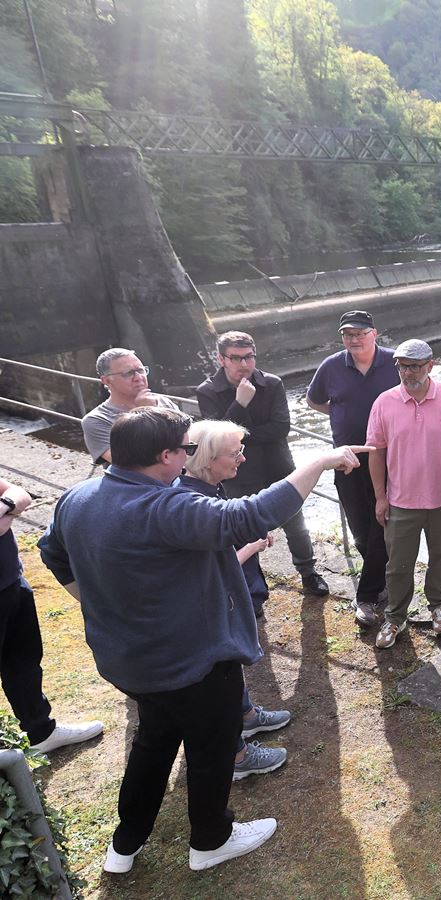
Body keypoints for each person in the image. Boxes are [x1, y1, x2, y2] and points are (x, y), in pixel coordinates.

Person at [38, 406, 367, 874]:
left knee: (153, 746)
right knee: (212, 751)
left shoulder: (79, 498)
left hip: (133, 663)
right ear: (165, 455)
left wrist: (94, 603)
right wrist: (318, 462)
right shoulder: (165, 508)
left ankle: (124, 845)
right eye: (186, 450)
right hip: (192, 663)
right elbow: (252, 514)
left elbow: (51, 550)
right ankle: (211, 841)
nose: (189, 458)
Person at [180, 420, 292, 780]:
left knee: (230, 670)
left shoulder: (209, 488)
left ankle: (246, 716)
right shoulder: (191, 502)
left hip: (220, 602)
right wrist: (252, 546)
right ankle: (238, 757)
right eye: (235, 452)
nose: (243, 459)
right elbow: (210, 568)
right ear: (209, 458)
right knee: (219, 677)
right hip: (206, 612)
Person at [196, 330, 329, 596]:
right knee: (243, 532)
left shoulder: (272, 383)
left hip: (276, 467)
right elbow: (215, 441)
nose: (244, 365)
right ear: (221, 359)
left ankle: (308, 573)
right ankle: (252, 588)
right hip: (236, 474)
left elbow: (280, 428)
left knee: (296, 527)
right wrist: (239, 404)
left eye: (249, 357)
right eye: (236, 358)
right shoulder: (208, 391)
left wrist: (237, 436)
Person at [306, 311, 400, 628]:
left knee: (382, 523)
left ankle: (366, 597)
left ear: (375, 333)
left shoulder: (394, 362)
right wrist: (341, 413)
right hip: (346, 460)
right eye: (348, 334)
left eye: (360, 333)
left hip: (389, 460)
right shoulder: (332, 366)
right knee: (361, 528)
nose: (354, 339)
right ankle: (383, 578)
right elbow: (314, 400)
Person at [367, 339, 441, 648]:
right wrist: (381, 497)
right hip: (401, 501)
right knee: (398, 565)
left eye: (416, 366)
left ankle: (438, 608)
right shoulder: (384, 402)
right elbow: (376, 452)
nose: (409, 373)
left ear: (431, 365)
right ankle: (395, 618)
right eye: (403, 366)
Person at [1, 476, 103, 755]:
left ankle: (40, 731)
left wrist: (6, 505)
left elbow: (19, 494)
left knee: (24, 661)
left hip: (10, 580)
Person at [81, 348, 180, 465]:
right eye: (128, 373)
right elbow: (129, 464)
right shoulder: (97, 420)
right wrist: (147, 413)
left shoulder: (164, 402)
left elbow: (188, 443)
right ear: (107, 380)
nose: (138, 378)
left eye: (141, 370)